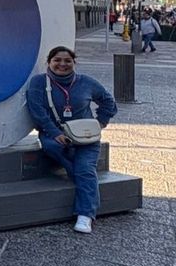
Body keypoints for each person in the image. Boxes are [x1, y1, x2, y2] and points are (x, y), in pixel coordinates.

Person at [25, 47, 117, 234]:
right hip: (55, 135)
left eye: (67, 60)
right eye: (57, 60)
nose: (62, 64)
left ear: (74, 62)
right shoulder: (39, 82)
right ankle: (74, 171)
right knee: (54, 148)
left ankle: (85, 215)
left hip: (85, 137)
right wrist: (54, 132)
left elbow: (108, 101)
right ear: (49, 62)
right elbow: (37, 111)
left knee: (86, 170)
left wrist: (101, 122)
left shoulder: (86, 82)